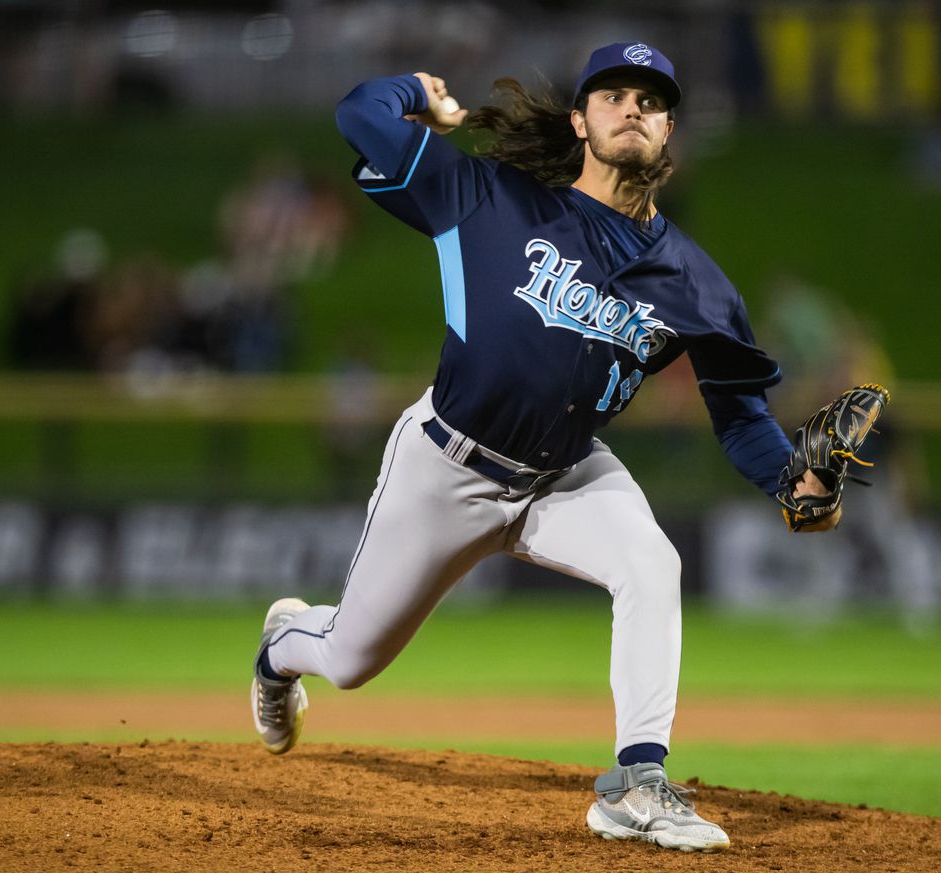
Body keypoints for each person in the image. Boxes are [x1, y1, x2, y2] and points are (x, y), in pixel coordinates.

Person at [251, 42, 831, 854]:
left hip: (566, 474)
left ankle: (637, 783)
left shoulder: (699, 285)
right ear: (580, 120)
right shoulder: (488, 196)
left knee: (651, 563)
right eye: (614, 94)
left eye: (652, 100)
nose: (632, 107)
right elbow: (358, 115)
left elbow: (739, 417)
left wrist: (792, 481)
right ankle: (282, 648)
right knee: (349, 659)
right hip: (445, 466)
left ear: (671, 133)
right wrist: (415, 91)